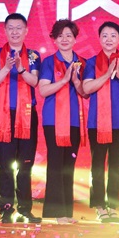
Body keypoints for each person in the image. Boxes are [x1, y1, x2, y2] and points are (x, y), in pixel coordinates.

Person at [82, 21, 119, 224]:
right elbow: (86, 88)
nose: (109, 39)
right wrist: (107, 74)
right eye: (104, 35)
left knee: (115, 166)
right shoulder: (91, 63)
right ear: (99, 39)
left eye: (113, 35)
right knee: (97, 166)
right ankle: (100, 207)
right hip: (97, 123)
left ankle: (112, 207)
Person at [0, 13, 41, 224]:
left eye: (19, 28)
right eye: (11, 28)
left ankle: (25, 209)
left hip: (27, 115)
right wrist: (6, 67)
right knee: (5, 164)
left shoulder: (34, 55)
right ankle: (6, 208)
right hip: (4, 116)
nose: (15, 32)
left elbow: (34, 82)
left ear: (26, 31)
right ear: (5, 30)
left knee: (25, 165)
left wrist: (20, 68)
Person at [38, 19, 87, 224]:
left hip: (75, 120)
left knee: (69, 165)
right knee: (56, 164)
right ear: (54, 39)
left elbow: (85, 93)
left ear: (75, 39)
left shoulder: (82, 63)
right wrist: (64, 80)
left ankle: (67, 212)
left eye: (68, 35)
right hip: (53, 120)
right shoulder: (49, 62)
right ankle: (57, 212)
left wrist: (76, 82)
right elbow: (43, 90)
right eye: (60, 36)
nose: (64, 39)